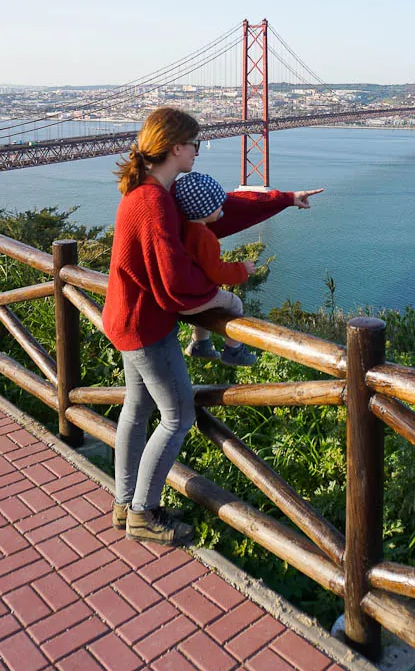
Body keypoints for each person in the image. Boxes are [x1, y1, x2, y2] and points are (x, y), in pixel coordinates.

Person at [102, 106, 322, 544]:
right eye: (196, 145)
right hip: (146, 328)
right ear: (176, 147)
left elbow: (220, 210)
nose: (199, 152)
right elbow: (176, 284)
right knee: (178, 417)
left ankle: (125, 503)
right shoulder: (153, 203)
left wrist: (282, 198)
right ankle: (143, 513)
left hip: (126, 320)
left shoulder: (157, 192)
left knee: (137, 410)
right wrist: (222, 289)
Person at [174, 171, 257, 366]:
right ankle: (234, 350)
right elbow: (216, 271)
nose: (222, 208)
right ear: (205, 209)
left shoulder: (183, 228)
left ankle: (200, 344)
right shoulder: (205, 237)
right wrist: (242, 269)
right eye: (218, 204)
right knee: (234, 303)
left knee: (209, 301)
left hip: (181, 296)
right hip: (191, 299)